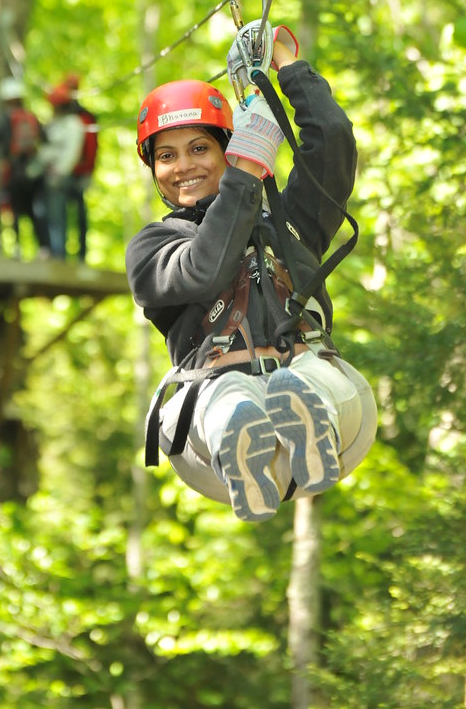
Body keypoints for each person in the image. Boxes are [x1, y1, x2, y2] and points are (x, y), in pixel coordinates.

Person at [125, 29, 377, 523]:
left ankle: (306, 416)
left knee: (306, 380)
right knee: (229, 399)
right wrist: (246, 166)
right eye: (166, 155)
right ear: (153, 170)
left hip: (329, 411)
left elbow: (333, 142)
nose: (183, 167)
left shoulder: (289, 224)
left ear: (223, 149)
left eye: (199, 148)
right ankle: (247, 443)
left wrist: (287, 67)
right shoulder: (152, 248)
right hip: (211, 436)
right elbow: (206, 267)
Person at [39, 79, 96, 261]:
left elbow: (73, 152)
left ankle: (71, 255)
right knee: (56, 216)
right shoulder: (58, 123)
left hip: (69, 176)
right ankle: (59, 254)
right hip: (63, 174)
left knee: (67, 217)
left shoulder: (76, 122)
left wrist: (61, 171)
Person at [0, 77, 49, 258]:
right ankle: (43, 248)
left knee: (15, 210)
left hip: (14, 171)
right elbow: (44, 139)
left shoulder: (3, 119)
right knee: (37, 210)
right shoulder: (32, 117)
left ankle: (17, 248)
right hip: (34, 171)